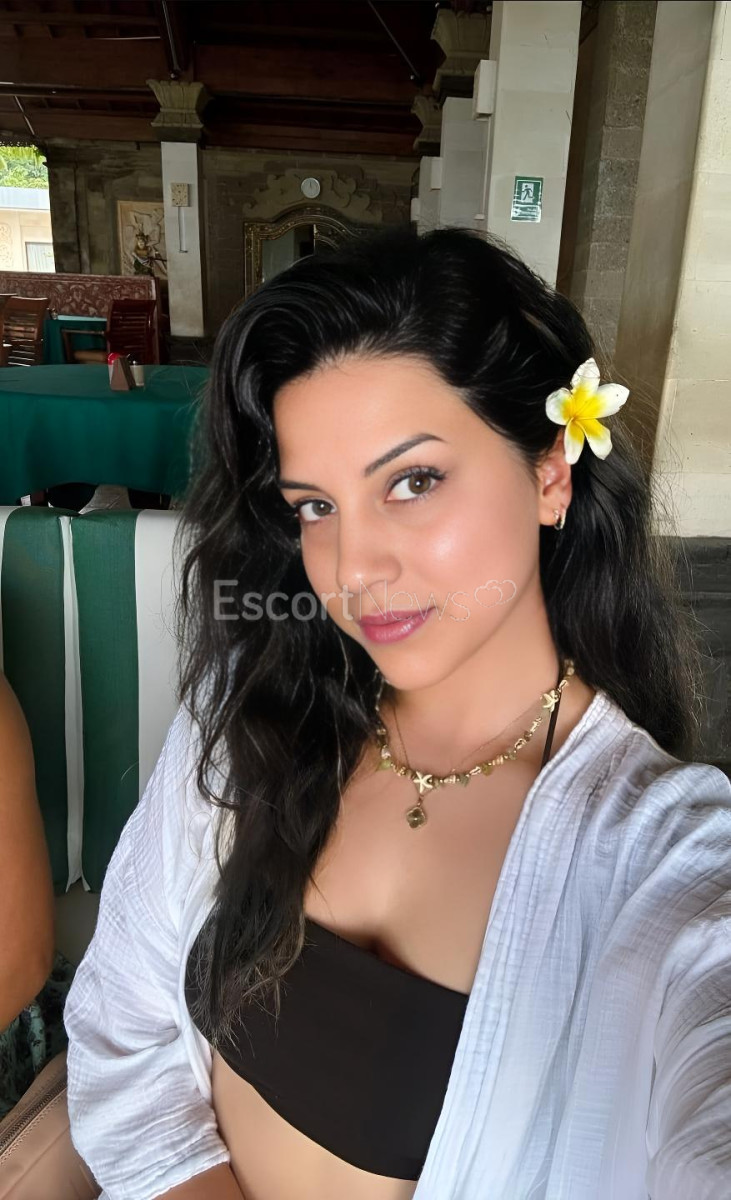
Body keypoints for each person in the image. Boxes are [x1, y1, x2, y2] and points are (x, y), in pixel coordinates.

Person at [63, 226, 731, 1200]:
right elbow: (123, 1020)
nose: (354, 568)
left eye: (412, 482)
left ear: (549, 473)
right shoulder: (253, 709)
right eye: (315, 506)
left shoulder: (669, 858)